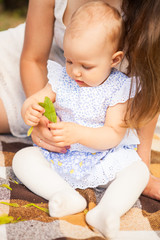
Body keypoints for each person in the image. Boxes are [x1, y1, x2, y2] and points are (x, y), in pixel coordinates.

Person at [13, 2, 149, 239]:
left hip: (103, 159)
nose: (75, 72)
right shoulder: (63, 79)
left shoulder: (118, 88)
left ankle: (107, 211)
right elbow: (38, 98)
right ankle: (63, 195)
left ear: (114, 59)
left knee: (138, 170)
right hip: (63, 155)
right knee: (24, 159)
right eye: (69, 60)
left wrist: (79, 134)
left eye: (86, 66)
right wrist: (30, 110)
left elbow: (113, 135)